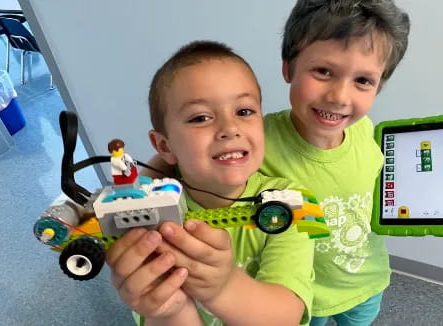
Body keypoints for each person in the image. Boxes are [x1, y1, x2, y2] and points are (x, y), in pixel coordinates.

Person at [144, 1, 443, 325]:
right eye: (323, 72)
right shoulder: (255, 140)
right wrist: (138, 188)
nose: (339, 96)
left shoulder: (368, 134)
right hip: (301, 292)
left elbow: (407, 186)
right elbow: (182, 160)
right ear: (288, 68)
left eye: (363, 81)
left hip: (366, 279)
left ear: (378, 86)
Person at [106, 40, 316, 326]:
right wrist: (169, 308)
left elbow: (286, 316)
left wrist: (224, 287)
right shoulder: (150, 216)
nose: (230, 129)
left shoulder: (290, 202)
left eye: (244, 112)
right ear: (165, 146)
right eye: (200, 117)